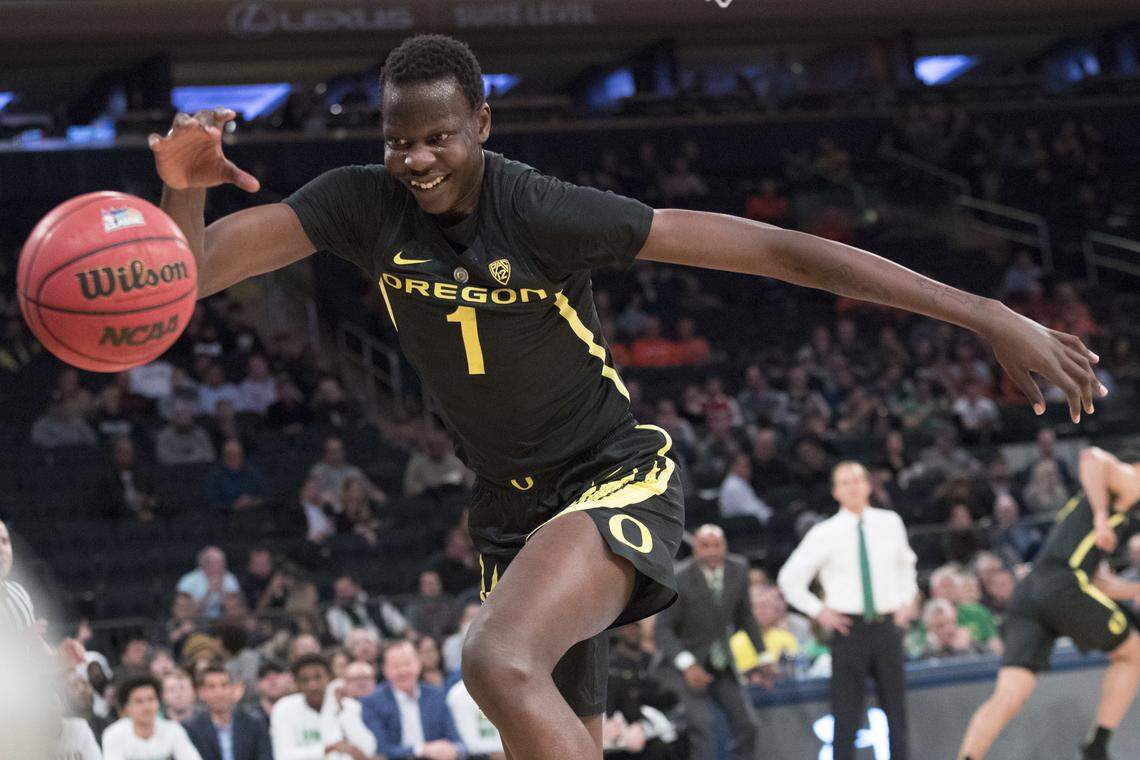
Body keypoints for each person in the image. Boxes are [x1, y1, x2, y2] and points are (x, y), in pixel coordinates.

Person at [150, 32, 1101, 760]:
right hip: (508, 516)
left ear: (483, 122)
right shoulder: (363, 202)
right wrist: (186, 193)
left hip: (610, 480)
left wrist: (983, 313)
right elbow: (184, 278)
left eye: (439, 136)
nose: (419, 159)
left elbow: (773, 250)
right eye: (400, 141)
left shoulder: (541, 210)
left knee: (491, 662)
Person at [958, 447, 1140, 760]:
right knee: (1133, 653)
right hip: (1062, 585)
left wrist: (1135, 589)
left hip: (1031, 592)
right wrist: (1100, 517)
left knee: (1009, 694)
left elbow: (1099, 582)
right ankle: (1096, 746)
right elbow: (1090, 457)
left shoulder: (1117, 511)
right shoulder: (1131, 480)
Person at [778, 461, 918, 760]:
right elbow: (789, 580)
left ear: (868, 484)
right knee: (846, 716)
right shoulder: (824, 532)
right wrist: (820, 612)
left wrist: (907, 601)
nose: (853, 486)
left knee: (897, 713)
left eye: (857, 479)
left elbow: (906, 565)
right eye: (844, 482)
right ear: (835, 491)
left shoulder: (890, 522)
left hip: (887, 626)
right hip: (848, 629)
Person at [654, 525, 760, 760]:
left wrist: (763, 657)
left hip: (720, 663)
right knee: (704, 726)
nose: (711, 551)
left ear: (725, 546)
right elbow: (662, 630)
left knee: (748, 724)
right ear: (695, 549)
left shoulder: (739, 569)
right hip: (681, 666)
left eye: (717, 545)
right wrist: (687, 665)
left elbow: (746, 617)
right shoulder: (679, 576)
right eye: (705, 545)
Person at [359, 639, 465, 760]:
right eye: (396, 666)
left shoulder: (436, 696)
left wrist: (454, 749)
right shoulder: (372, 702)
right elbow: (382, 749)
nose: (403, 671)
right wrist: (421, 749)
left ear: (418, 664)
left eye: (407, 664)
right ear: (384, 670)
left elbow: (457, 741)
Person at [270, 653, 377, 760]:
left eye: (318, 677)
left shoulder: (349, 706)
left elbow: (368, 749)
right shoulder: (284, 708)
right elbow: (283, 756)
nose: (313, 685)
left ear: (329, 677)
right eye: (305, 680)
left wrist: (342, 711)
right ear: (296, 683)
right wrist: (329, 749)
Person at [101, 675, 203, 760]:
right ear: (126, 708)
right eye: (138, 701)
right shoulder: (114, 734)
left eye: (151, 699)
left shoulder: (173, 729)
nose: (147, 707)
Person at [183, 665, 273, 760]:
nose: (219, 693)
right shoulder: (191, 729)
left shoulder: (254, 724)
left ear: (234, 689)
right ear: (201, 692)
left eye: (224, 685)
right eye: (211, 687)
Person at [0, 519, 36, 630]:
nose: (2, 549)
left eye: (5, 541)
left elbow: (34, 642)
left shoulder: (19, 591)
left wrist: (57, 648)